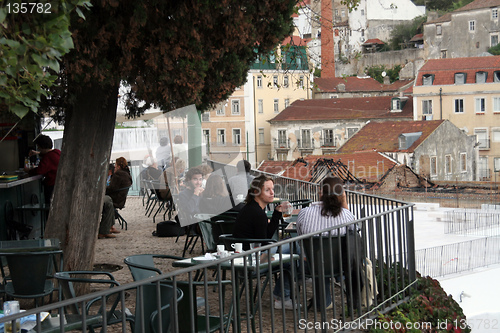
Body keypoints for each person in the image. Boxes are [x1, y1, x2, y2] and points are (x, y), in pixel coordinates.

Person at [296, 176, 356, 309]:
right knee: (332, 258)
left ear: (320, 192)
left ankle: (323, 302)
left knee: (315, 257)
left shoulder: (304, 213)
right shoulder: (346, 216)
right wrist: (344, 202)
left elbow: (300, 238)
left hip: (311, 265)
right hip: (340, 265)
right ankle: (351, 295)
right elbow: (355, 235)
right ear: (342, 194)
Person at [99, 157, 132, 239]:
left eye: (116, 165)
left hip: (116, 198)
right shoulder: (127, 173)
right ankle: (110, 227)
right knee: (108, 202)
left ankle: (106, 228)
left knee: (106, 201)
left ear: (119, 166)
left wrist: (102, 189)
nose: (115, 167)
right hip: (120, 198)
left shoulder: (118, 174)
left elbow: (112, 188)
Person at [27, 134, 61, 205]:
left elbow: (39, 171)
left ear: (42, 147)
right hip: (59, 184)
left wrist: (28, 170)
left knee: (49, 206)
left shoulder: (47, 158)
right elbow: (48, 153)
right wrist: (37, 153)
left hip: (51, 186)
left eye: (39, 148)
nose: (38, 149)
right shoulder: (57, 152)